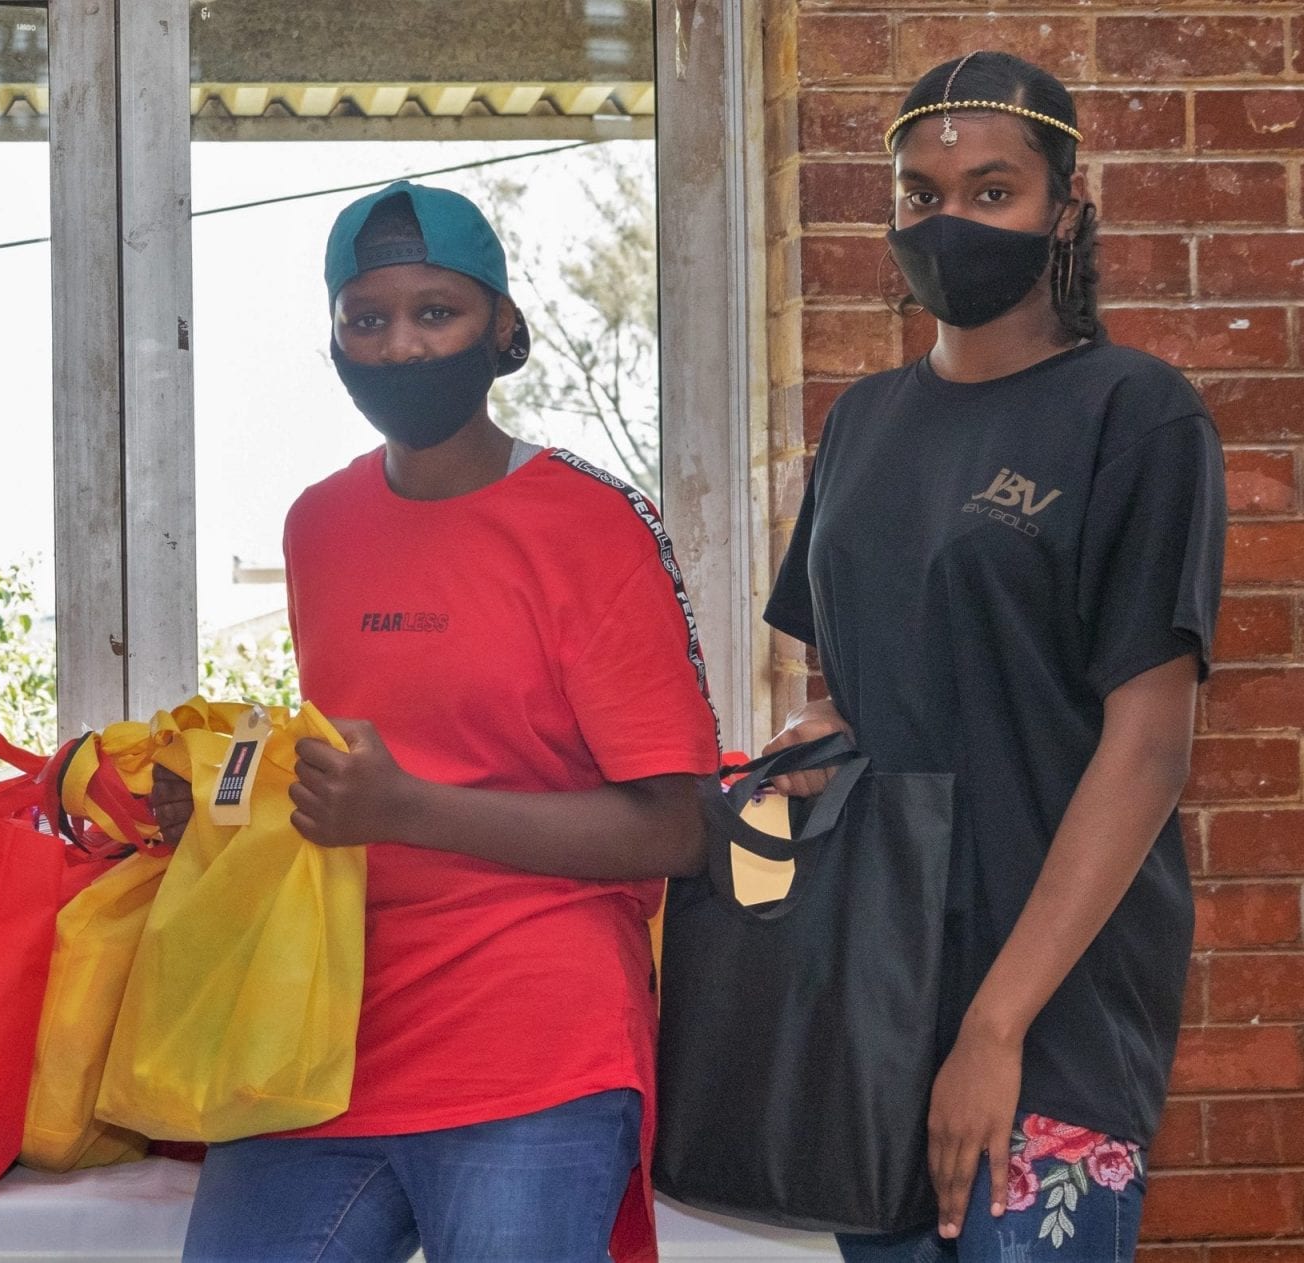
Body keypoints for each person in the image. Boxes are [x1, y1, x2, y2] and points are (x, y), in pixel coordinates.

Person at [155, 181, 722, 1262]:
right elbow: (364, 767)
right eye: (366, 319)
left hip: (534, 1044)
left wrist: (410, 809)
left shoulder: (591, 527)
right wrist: (227, 805)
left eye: (435, 313)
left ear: (502, 328)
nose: (402, 347)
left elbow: (676, 829)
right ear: (330, 340)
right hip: (321, 1038)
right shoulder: (318, 523)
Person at [763, 51, 1225, 1259]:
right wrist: (821, 741)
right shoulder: (858, 425)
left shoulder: (1135, 413)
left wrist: (995, 1026)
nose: (948, 219)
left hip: (1047, 1019)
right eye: (919, 193)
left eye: (989, 190)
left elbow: (1147, 746)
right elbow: (877, 689)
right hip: (879, 998)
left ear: (1063, 207)